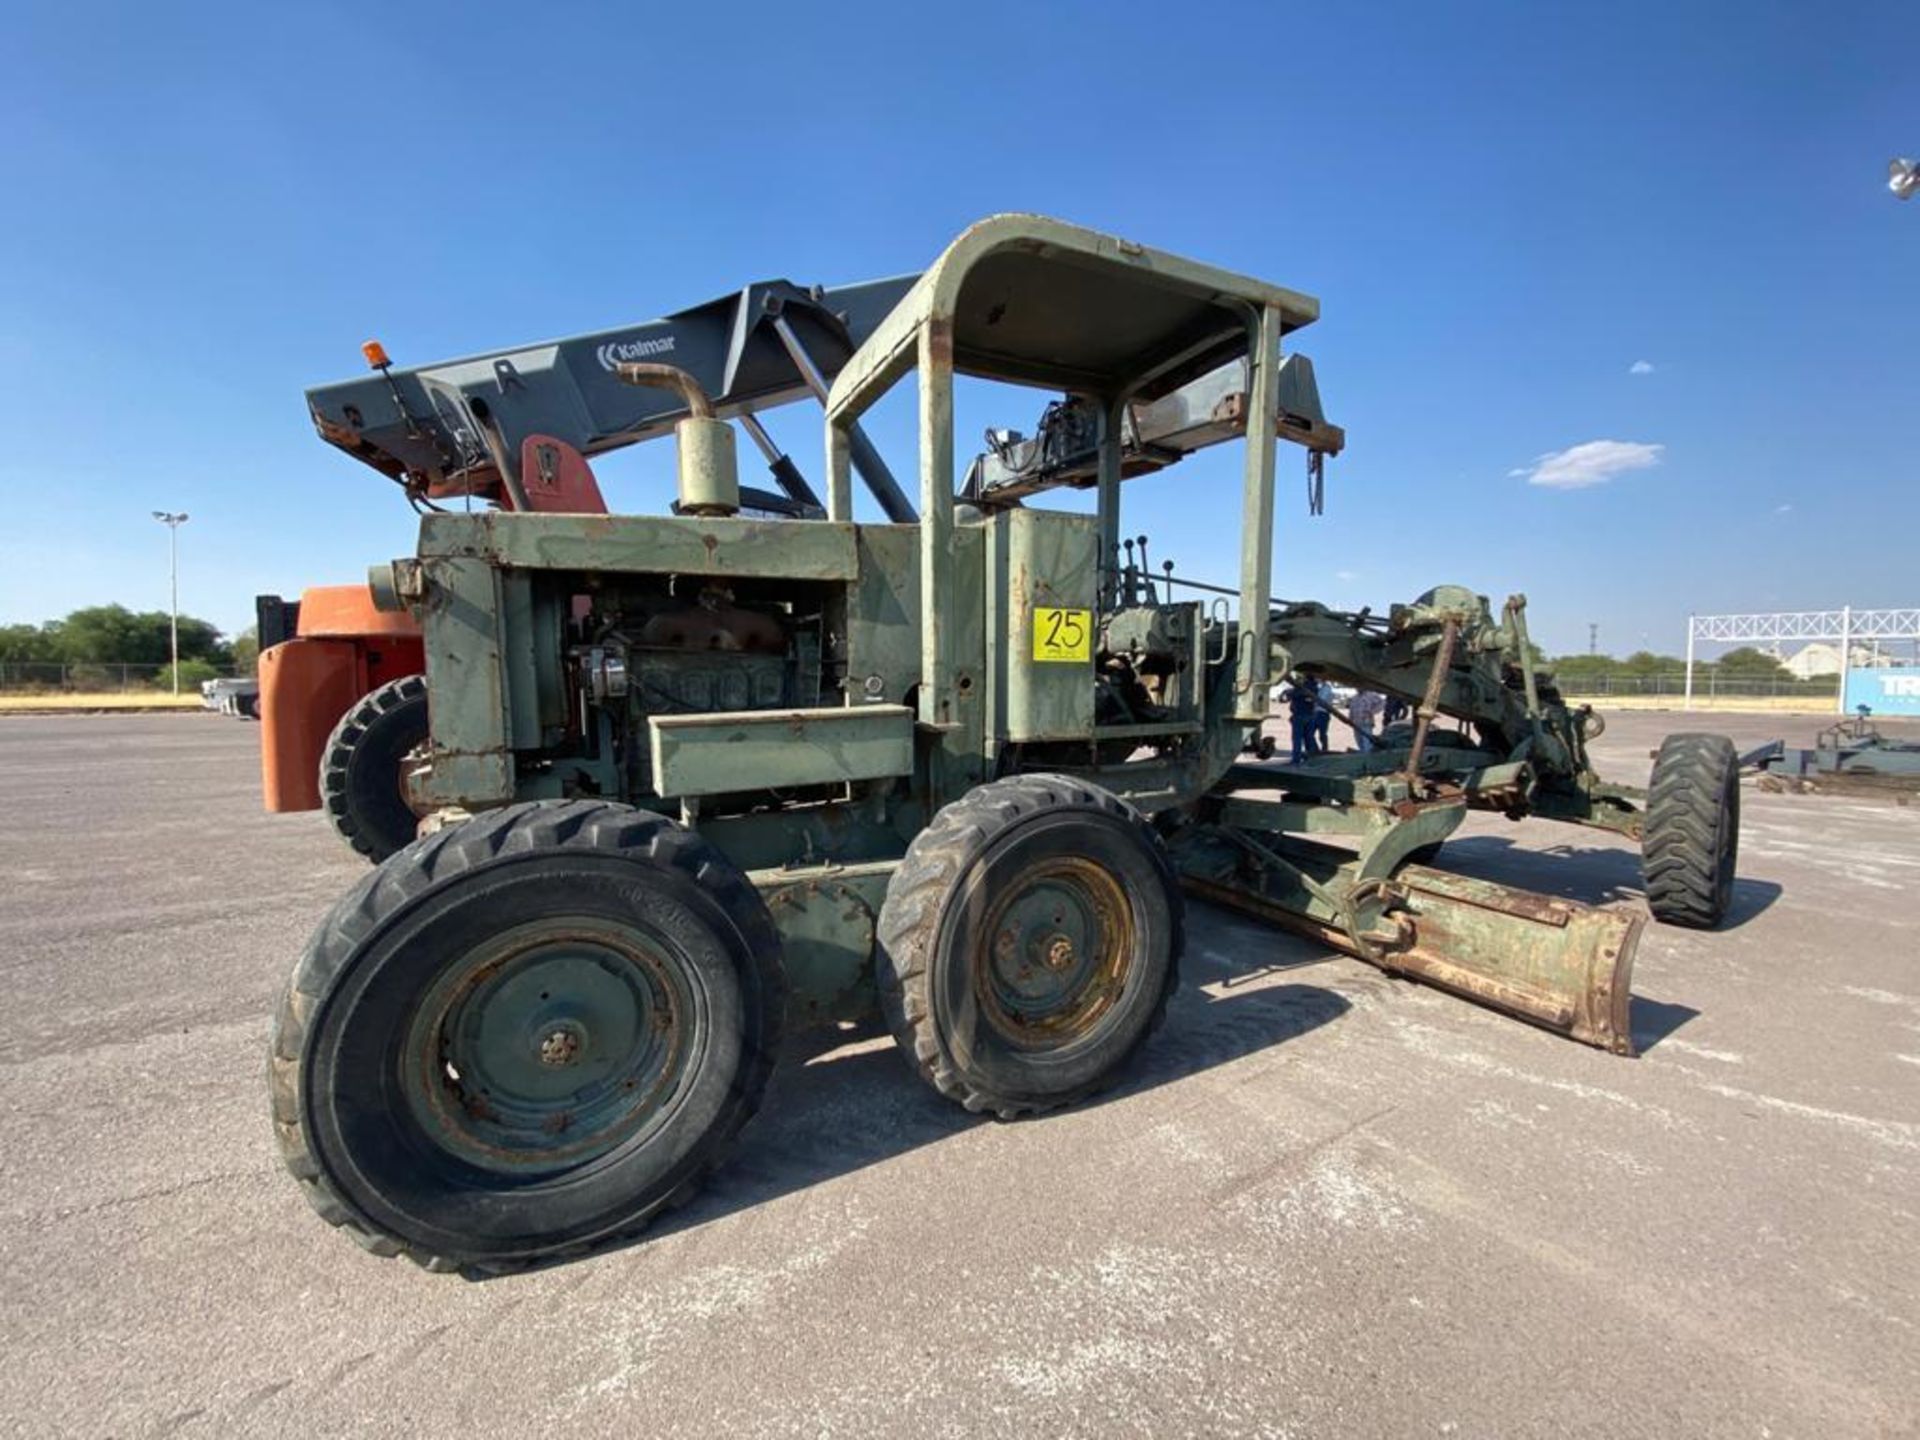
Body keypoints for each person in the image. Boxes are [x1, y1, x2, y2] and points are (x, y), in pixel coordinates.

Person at [1285, 674, 1320, 763]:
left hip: (1299, 715)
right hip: (1310, 715)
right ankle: (1310, 757)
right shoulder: (1314, 688)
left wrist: (1289, 692)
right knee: (1309, 738)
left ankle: (1296, 759)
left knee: (1297, 738)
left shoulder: (1302, 688)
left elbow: (1292, 695)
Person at [1312, 678, 1334, 754]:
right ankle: (1315, 749)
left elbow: (1322, 700)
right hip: (1316, 712)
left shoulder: (1327, 688)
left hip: (1323, 713)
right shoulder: (1320, 687)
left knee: (1322, 734)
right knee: (1310, 733)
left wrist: (1313, 700)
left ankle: (1324, 749)